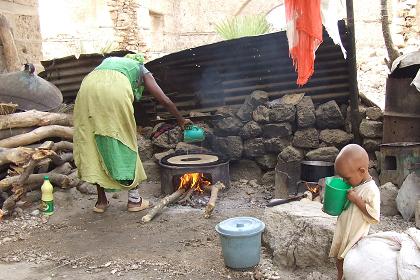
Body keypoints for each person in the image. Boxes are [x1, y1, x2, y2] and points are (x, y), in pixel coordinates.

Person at [73, 53, 191, 213]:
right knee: (126, 139)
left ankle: (101, 202)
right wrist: (181, 120)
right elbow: (164, 100)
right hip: (115, 90)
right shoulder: (141, 68)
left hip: (86, 88)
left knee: (92, 140)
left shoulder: (109, 63)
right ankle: (134, 200)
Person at [329, 144, 380, 280]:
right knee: (339, 260)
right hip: (345, 229)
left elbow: (374, 215)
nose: (345, 181)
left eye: (347, 178)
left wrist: (357, 200)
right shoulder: (354, 183)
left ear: (362, 171)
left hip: (356, 234)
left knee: (350, 262)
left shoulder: (371, 190)